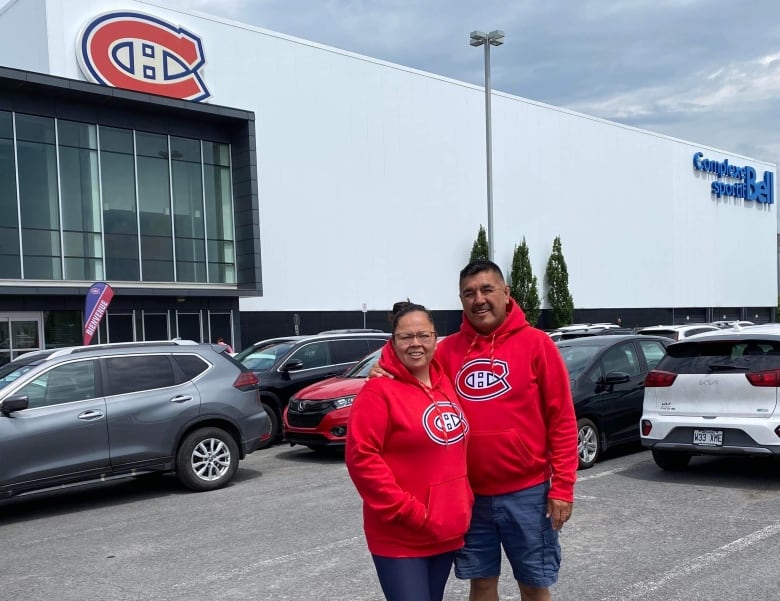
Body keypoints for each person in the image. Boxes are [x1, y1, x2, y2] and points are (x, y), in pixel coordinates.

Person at [371, 260, 578, 601]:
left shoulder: (538, 345)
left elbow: (563, 421)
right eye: (469, 293)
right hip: (469, 497)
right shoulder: (449, 350)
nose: (478, 299)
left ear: (506, 293)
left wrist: (563, 487)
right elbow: (410, 347)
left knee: (534, 584)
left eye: (487, 290)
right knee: (481, 584)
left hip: (528, 494)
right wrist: (383, 367)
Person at [346, 303, 473, 601]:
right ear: (393, 342)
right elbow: (361, 460)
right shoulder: (378, 391)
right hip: (401, 534)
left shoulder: (445, 384)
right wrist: (412, 512)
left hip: (443, 530)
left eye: (423, 335)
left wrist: (460, 503)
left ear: (435, 338)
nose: (415, 343)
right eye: (406, 337)